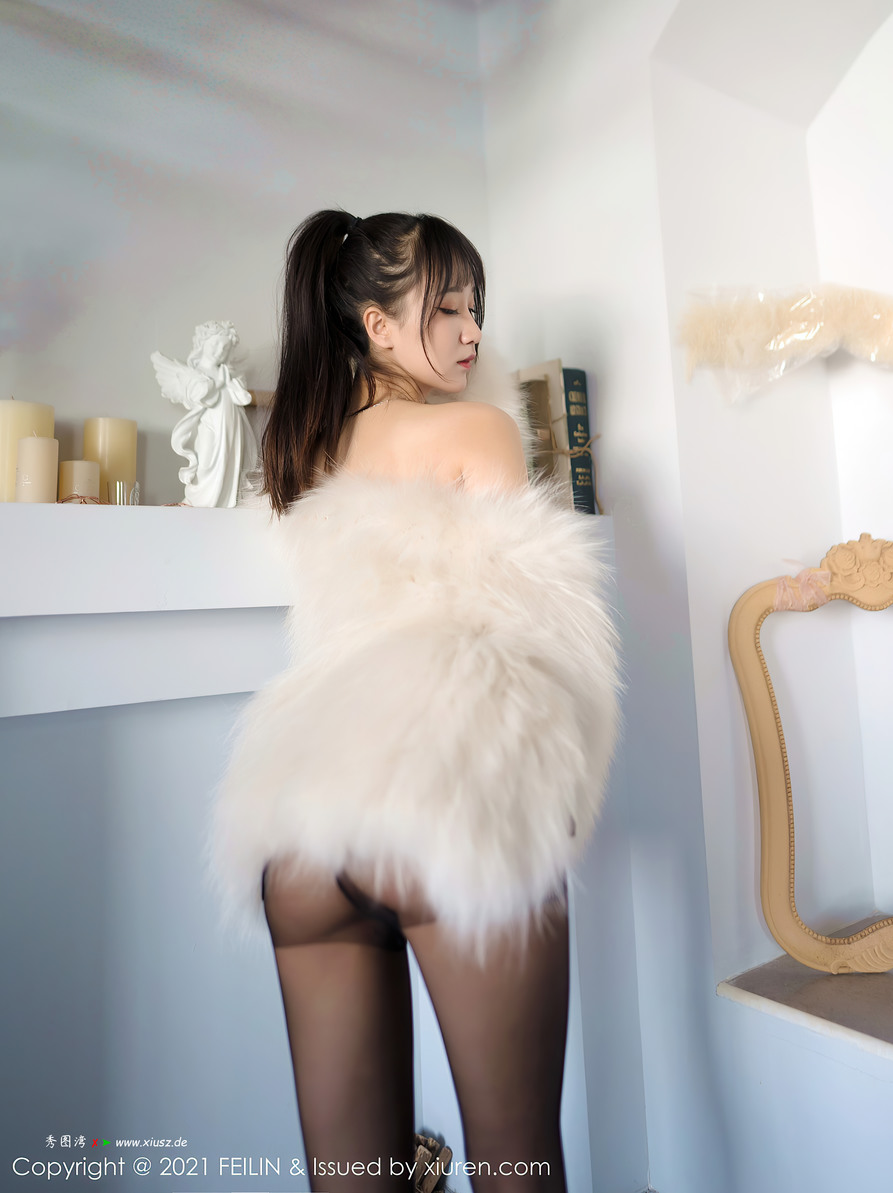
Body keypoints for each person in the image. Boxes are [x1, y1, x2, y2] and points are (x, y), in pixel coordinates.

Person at [208, 211, 623, 1193]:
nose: (473, 332)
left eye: (476, 310)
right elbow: (531, 631)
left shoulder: (307, 456)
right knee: (518, 1159)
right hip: (447, 787)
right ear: (376, 325)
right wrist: (557, 795)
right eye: (447, 309)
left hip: (303, 828)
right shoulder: (475, 429)